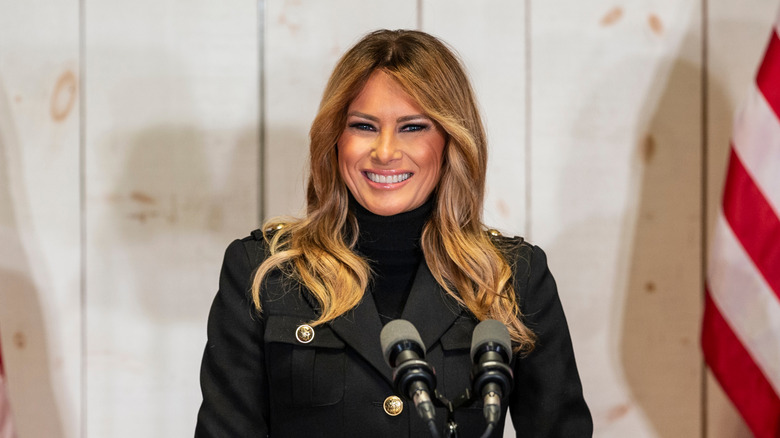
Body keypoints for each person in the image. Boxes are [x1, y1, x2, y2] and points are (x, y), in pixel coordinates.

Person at [195, 29, 592, 437]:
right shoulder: (263, 271)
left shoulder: (513, 276)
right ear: (335, 139)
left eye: (412, 127)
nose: (384, 152)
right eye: (364, 126)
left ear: (450, 139)